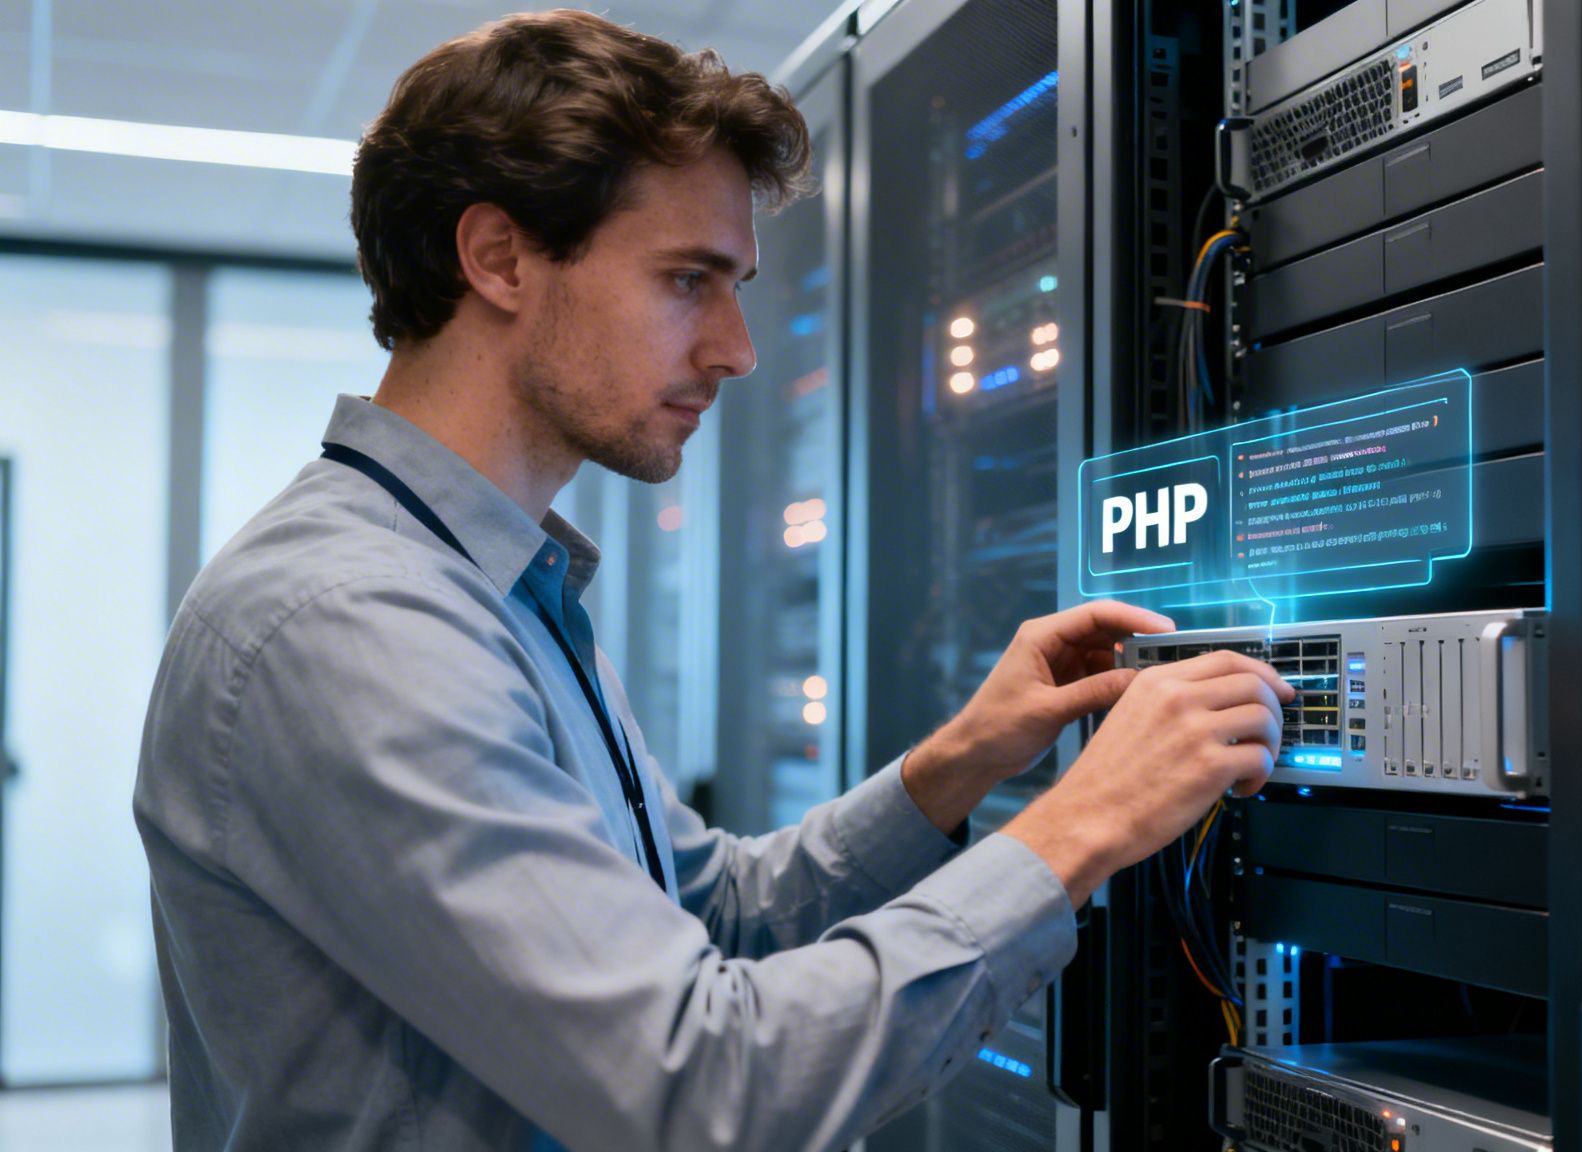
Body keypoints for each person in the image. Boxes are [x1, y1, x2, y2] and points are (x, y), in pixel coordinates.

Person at [133, 10, 1292, 1151]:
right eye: (688, 279)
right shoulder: (357, 622)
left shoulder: (496, 586)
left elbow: (712, 910)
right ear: (497, 258)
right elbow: (700, 1090)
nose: (736, 348)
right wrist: (1082, 825)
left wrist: (963, 759)